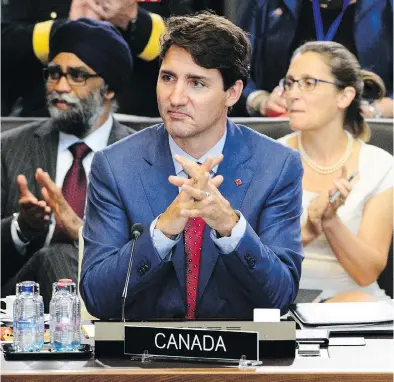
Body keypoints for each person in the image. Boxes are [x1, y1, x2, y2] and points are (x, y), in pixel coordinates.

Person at [80, 12, 304, 321]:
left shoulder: (277, 165)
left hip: (243, 361)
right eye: (168, 78)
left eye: (196, 83)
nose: (175, 97)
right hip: (143, 359)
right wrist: (162, 232)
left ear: (233, 93)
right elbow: (97, 298)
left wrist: (230, 227)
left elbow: (280, 297)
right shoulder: (115, 165)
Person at [1, 18, 136, 310]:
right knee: (56, 255)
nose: (60, 87)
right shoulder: (8, 148)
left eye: (77, 75)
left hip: (115, 300)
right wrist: (21, 228)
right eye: (53, 74)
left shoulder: (139, 155)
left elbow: (149, 255)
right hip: (20, 309)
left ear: (108, 88)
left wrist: (82, 233)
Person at [278, 41, 393, 302]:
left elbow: (366, 274)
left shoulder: (380, 165)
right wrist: (308, 228)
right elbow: (253, 261)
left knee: (360, 303)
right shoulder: (267, 158)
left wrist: (330, 222)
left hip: (353, 303)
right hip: (279, 302)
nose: (293, 94)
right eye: (290, 82)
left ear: (345, 96)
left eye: (309, 83)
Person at [1, 0, 166, 117]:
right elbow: (6, 44)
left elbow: (188, 41)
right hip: (49, 119)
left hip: (140, 119)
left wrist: (134, 19)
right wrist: (64, 28)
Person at [237, 0, 393, 118]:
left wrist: (377, 110)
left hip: (364, 130)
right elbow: (234, 68)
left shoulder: (386, 7)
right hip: (284, 125)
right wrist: (260, 101)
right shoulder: (266, 4)